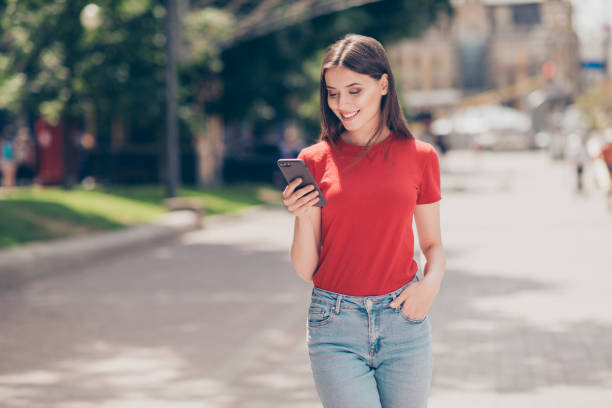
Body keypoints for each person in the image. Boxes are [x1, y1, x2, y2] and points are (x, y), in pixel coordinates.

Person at [281, 34, 445, 408]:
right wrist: (304, 217)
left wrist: (429, 286)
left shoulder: (421, 157)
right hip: (334, 325)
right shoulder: (313, 160)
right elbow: (306, 269)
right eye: (333, 93)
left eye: (355, 90)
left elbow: (433, 245)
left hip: (404, 321)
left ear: (383, 84)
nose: (342, 104)